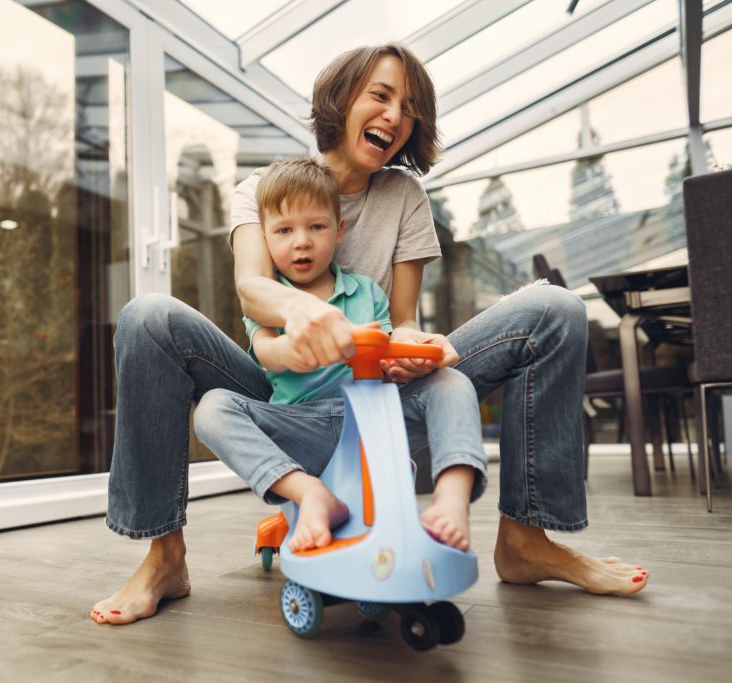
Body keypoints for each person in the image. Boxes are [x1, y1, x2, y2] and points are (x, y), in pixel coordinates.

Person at [91, 43, 648, 627]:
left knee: (556, 307)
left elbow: (402, 316)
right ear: (341, 98)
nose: (393, 115)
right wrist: (300, 316)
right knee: (148, 316)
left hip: (375, 392)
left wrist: (413, 352)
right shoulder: (261, 189)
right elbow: (253, 289)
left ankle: (526, 543)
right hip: (280, 385)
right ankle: (165, 558)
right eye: (379, 96)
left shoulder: (404, 196)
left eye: (407, 107)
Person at [193, 156, 485, 555]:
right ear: (265, 237)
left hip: (370, 420)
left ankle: (451, 500)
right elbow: (265, 352)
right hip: (298, 426)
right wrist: (290, 350)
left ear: (339, 230)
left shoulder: (366, 292)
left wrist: (409, 358)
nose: (302, 241)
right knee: (212, 408)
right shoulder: (269, 301)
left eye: (316, 226)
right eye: (284, 230)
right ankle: (309, 492)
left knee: (451, 382)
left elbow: (385, 352)